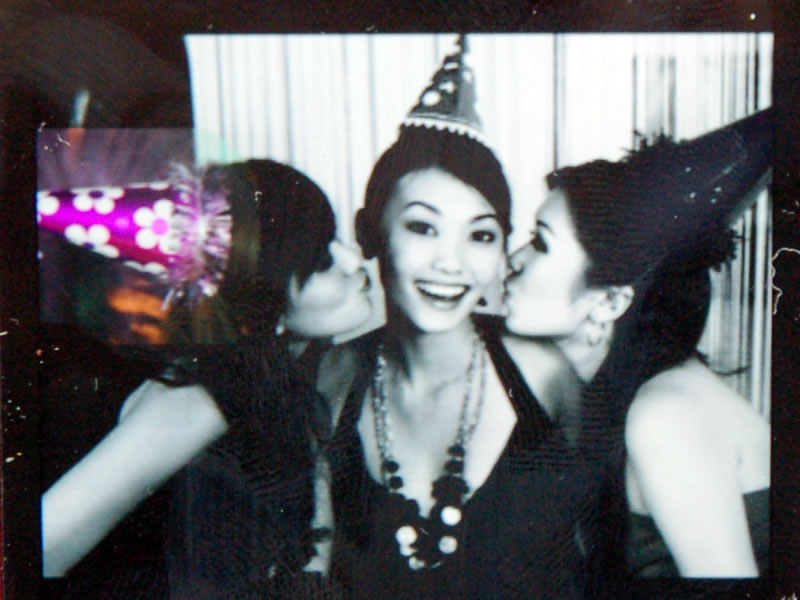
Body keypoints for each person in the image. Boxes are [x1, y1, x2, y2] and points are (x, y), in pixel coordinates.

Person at [318, 36, 591, 599]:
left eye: (481, 235)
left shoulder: (545, 377)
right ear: (370, 232)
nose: (452, 263)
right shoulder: (331, 380)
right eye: (423, 227)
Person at [41, 158, 373, 597]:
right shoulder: (197, 403)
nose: (354, 260)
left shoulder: (292, 380)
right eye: (321, 260)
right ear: (266, 307)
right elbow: (35, 547)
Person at [503, 109, 773, 579]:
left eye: (540, 244)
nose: (513, 259)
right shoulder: (597, 394)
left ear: (610, 301)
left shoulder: (664, 415)